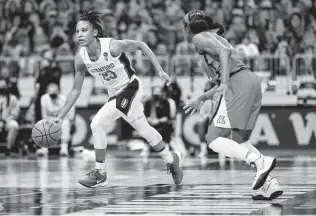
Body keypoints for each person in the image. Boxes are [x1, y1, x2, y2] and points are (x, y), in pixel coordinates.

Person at [53, 8, 183, 188]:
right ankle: (171, 159)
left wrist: (160, 71)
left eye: (84, 30)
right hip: (115, 94)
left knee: (96, 124)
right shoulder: (80, 59)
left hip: (131, 88)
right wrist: (60, 117)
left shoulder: (111, 46)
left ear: (95, 32)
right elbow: (75, 91)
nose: (79, 35)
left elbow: (141, 45)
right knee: (145, 130)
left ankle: (100, 172)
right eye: (77, 31)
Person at [182, 10, 283, 200]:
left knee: (213, 139)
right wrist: (202, 98)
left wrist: (226, 82)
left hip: (237, 83)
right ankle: (269, 185)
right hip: (250, 81)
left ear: (188, 28)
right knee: (239, 141)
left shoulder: (199, 38)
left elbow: (225, 55)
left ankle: (260, 162)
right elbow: (222, 77)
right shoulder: (211, 40)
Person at [39, 83, 75, 157]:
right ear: (47, 92)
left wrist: (58, 120)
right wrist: (53, 119)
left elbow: (68, 116)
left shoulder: (63, 99)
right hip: (49, 120)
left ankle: (64, 149)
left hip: (61, 120)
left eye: (54, 94)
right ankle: (44, 149)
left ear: (58, 92)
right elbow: (44, 115)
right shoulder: (44, 98)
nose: (53, 97)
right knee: (43, 123)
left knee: (66, 123)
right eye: (51, 95)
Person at [0, 79, 20, 157]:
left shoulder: (12, 98)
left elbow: (15, 113)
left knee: (14, 126)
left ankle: (9, 148)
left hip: (8, 121)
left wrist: (4, 121)